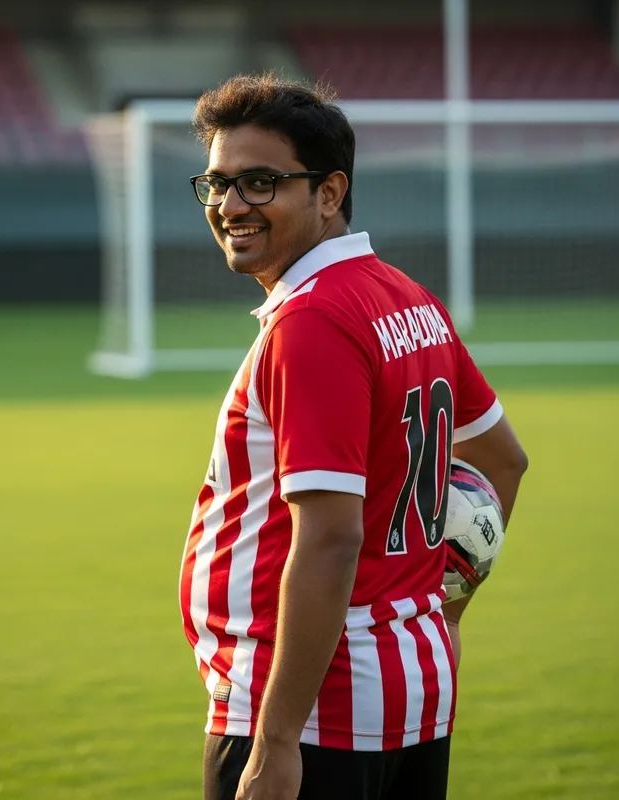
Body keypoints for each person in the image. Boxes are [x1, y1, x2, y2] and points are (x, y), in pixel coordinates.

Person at [179, 73, 528, 800]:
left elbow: (331, 539)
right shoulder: (406, 297)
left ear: (330, 193)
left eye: (260, 182)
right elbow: (504, 462)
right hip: (413, 688)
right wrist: (442, 604)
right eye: (217, 185)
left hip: (312, 718)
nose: (231, 205)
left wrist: (275, 741)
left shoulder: (312, 321)